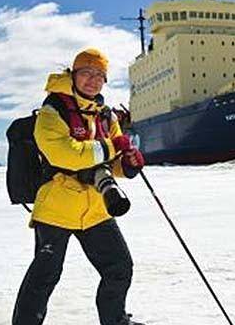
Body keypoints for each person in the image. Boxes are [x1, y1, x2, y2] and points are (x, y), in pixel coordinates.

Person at [12, 48, 145, 325]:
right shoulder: (52, 111)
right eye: (86, 72)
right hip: (57, 206)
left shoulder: (107, 116)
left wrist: (128, 165)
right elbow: (65, 154)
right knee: (44, 275)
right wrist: (112, 146)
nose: (93, 80)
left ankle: (115, 321)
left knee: (119, 267)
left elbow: (113, 161)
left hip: (96, 206)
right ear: (73, 75)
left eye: (100, 75)